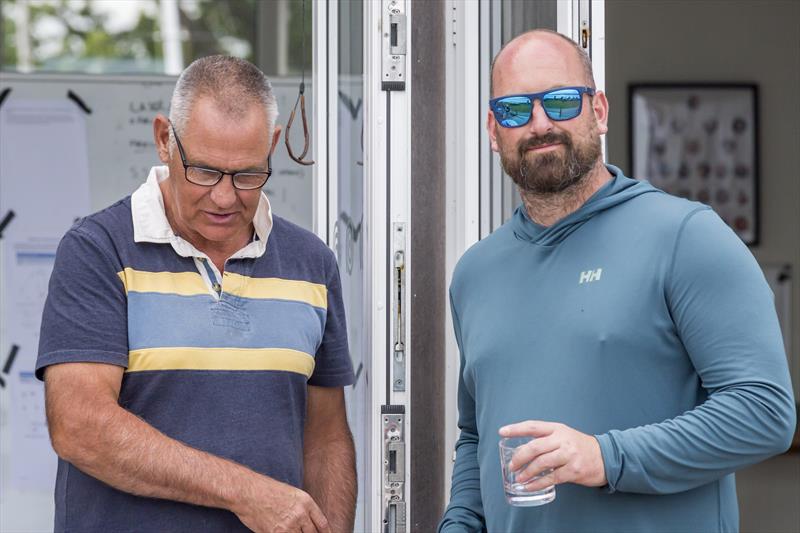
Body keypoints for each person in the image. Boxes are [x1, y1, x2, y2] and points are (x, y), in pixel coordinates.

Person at [439, 29, 795, 533]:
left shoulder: (685, 237)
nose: (540, 123)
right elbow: (476, 436)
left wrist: (605, 457)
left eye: (560, 102)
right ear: (494, 131)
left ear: (599, 111)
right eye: (516, 110)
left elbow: (763, 413)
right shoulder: (475, 273)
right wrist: (460, 523)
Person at [36, 55, 356, 532]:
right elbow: (80, 426)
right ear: (165, 139)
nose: (225, 197)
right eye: (204, 171)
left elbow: (325, 437)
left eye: (248, 174)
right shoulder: (98, 251)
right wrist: (246, 493)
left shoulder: (312, 263)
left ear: (270, 146)